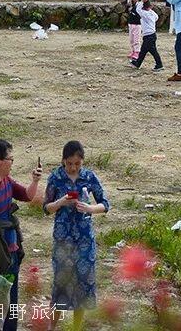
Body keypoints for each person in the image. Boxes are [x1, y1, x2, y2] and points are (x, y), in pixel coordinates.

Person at [0, 138, 42, 331]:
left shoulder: (6, 181)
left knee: (10, 302)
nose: (12, 162)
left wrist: (35, 181)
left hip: (11, 251)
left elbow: (27, 195)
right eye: (10, 158)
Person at [42, 140, 110, 330]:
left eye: (77, 164)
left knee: (82, 282)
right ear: (63, 161)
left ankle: (77, 327)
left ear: (82, 162)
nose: (73, 168)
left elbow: (105, 204)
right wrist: (60, 202)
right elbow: (46, 208)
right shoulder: (55, 178)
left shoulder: (89, 177)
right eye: (69, 164)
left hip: (84, 239)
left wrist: (89, 208)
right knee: (60, 283)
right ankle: (51, 327)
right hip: (63, 239)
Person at [128, 0, 163, 71]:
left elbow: (138, 9)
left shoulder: (145, 14)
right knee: (144, 51)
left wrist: (141, 1)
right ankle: (138, 63)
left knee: (152, 51)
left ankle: (159, 64)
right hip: (152, 35)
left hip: (148, 36)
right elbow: (156, 17)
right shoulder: (152, 13)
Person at [123, 0, 142, 64]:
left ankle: (137, 51)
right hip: (131, 23)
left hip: (137, 24)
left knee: (136, 39)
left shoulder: (140, 5)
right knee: (131, 39)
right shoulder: (131, 4)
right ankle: (133, 50)